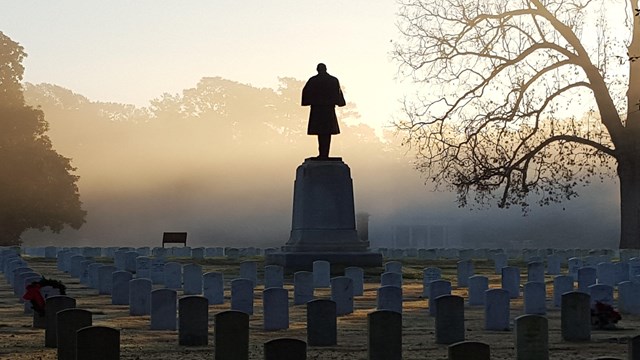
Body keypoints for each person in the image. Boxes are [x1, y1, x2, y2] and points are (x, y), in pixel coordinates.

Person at [301, 63, 346, 158]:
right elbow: (338, 96)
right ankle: (324, 154)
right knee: (326, 133)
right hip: (328, 110)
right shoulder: (333, 80)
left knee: (322, 133)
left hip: (318, 111)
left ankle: (323, 154)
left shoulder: (313, 80)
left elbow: (306, 94)